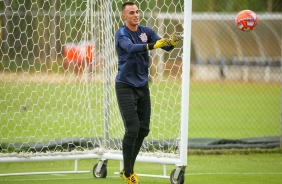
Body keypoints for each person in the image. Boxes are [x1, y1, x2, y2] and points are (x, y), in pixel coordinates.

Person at [114, 2, 182, 184]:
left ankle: (127, 169)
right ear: (124, 16)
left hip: (142, 86)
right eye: (131, 12)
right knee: (132, 129)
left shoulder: (146, 31)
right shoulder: (121, 34)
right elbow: (130, 48)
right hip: (125, 86)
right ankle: (128, 174)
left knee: (143, 129)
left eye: (137, 11)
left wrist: (173, 41)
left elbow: (165, 47)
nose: (136, 15)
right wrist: (154, 45)